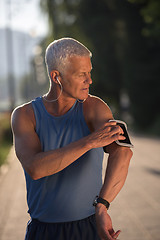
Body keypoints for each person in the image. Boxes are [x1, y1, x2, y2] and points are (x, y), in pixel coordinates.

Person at [11, 37, 133, 240]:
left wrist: (102, 205)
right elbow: (35, 168)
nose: (90, 80)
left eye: (90, 72)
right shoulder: (24, 115)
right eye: (82, 74)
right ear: (56, 77)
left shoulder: (95, 107)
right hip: (42, 231)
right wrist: (89, 141)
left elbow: (123, 152)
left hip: (87, 227)